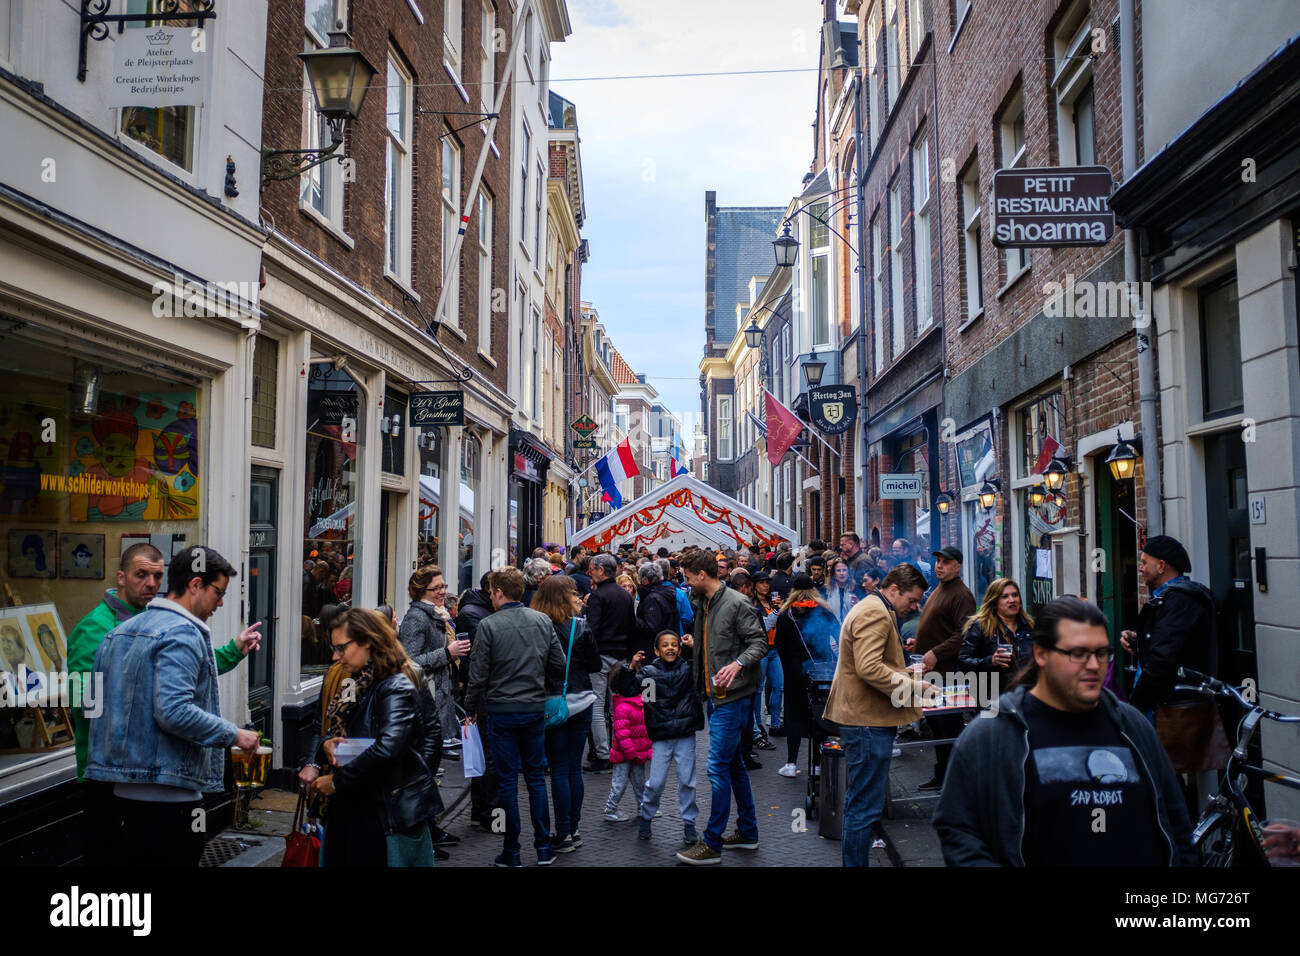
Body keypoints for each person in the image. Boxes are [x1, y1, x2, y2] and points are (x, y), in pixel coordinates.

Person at [933, 596, 1196, 866]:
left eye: (1101, 653)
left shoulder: (1132, 726)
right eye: (1078, 654)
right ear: (1041, 654)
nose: (1094, 665)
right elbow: (957, 828)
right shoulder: (994, 734)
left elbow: (1176, 820)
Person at [85, 546, 261, 867]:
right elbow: (174, 712)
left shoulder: (116, 635)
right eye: (218, 593)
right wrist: (235, 735)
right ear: (195, 585)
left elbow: (95, 708)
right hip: (172, 800)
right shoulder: (182, 633)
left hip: (121, 795)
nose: (220, 603)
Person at [311, 609, 439, 867]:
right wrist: (326, 745)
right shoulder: (355, 681)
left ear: (367, 641)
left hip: (379, 812)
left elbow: (389, 747)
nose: (335, 656)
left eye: (341, 648)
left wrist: (337, 782)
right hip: (354, 805)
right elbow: (332, 723)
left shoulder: (396, 686)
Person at [824, 564, 933, 867]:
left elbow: (870, 665)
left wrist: (907, 671)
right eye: (911, 600)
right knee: (863, 808)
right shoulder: (875, 612)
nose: (914, 606)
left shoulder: (873, 607)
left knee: (860, 804)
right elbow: (869, 668)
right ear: (894, 589)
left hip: (865, 720)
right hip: (867, 722)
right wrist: (913, 686)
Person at [464, 567, 566, 867]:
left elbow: (478, 674)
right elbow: (558, 665)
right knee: (536, 779)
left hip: (501, 710)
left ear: (498, 592)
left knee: (508, 781)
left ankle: (512, 850)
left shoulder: (489, 626)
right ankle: (544, 847)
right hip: (533, 708)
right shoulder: (542, 621)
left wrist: (470, 707)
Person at [675, 550, 769, 865]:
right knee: (734, 765)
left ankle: (712, 843)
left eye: (688, 576)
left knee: (716, 766)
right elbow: (715, 641)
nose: (686, 582)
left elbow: (759, 643)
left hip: (732, 696)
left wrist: (738, 664)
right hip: (717, 695)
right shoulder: (705, 602)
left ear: (702, 575)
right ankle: (748, 832)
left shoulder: (736, 604)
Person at [1120, 535, 1228, 796]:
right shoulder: (1171, 599)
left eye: (1145, 562)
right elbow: (1171, 645)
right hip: (1165, 703)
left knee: (1159, 777)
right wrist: (1140, 642)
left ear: (1162, 565)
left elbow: (1164, 659)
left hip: (1168, 706)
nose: (1141, 567)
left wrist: (1136, 706)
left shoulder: (1179, 600)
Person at [611, 630, 702, 845]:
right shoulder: (650, 673)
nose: (670, 648)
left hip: (684, 733)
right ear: (656, 650)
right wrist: (631, 668)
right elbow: (627, 689)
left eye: (674, 644)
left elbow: (706, 666)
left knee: (687, 781)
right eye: (665, 645)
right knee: (656, 782)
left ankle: (689, 823)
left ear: (679, 649)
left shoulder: (688, 669)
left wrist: (694, 647)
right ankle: (646, 816)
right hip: (661, 736)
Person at [531, 575, 601, 853]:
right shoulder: (581, 627)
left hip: (551, 703)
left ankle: (563, 833)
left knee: (558, 767)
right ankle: (573, 827)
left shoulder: (538, 626)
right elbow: (595, 664)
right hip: (582, 700)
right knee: (574, 766)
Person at [910, 547, 977, 790]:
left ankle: (954, 779)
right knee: (937, 726)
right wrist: (916, 644)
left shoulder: (961, 595)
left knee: (948, 727)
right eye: (938, 561)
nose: (939, 565)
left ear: (957, 566)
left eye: (946, 562)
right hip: (933, 672)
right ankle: (942, 775)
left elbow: (964, 634)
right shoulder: (938, 589)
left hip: (948, 673)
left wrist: (936, 652)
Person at [398, 566, 470, 764]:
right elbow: (409, 662)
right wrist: (448, 653)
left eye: (443, 586)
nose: (443, 591)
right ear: (422, 591)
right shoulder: (416, 618)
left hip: (438, 697)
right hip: (425, 698)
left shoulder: (437, 614)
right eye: (436, 588)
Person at [773, 574, 839, 777]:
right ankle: (817, 763)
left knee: (793, 715)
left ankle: (791, 763)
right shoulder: (823, 611)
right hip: (820, 670)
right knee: (818, 715)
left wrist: (788, 669)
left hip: (794, 672)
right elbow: (839, 634)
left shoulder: (786, 615)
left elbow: (780, 646)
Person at [584, 553, 636, 772]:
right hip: (621, 655)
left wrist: (587, 653)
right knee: (618, 706)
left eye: (592, 569)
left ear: (601, 571)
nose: (590, 573)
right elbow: (632, 625)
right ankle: (621, 748)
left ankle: (603, 753)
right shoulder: (625, 596)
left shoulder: (598, 596)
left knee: (596, 706)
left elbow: (592, 630)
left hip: (602, 655)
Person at [454, 571, 497, 830]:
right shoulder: (473, 614)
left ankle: (482, 809)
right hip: (481, 692)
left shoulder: (481, 611)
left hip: (482, 690)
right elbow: (476, 659)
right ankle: (487, 811)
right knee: (488, 753)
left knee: (485, 752)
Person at [602, 662, 651, 824]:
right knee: (619, 783)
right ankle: (610, 809)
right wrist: (632, 753)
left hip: (636, 753)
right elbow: (622, 735)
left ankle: (643, 807)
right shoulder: (623, 707)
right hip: (626, 755)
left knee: (640, 783)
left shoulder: (639, 703)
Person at [956, 578, 1034, 677]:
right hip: (996, 689)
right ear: (994, 602)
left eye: (1015, 595)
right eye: (1005, 597)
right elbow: (963, 662)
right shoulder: (981, 627)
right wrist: (991, 661)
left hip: (1027, 688)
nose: (1012, 600)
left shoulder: (1030, 626)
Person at [749, 571, 783, 747]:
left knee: (779, 686)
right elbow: (764, 627)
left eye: (767, 582)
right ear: (754, 585)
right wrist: (777, 611)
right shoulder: (753, 605)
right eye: (761, 582)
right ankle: (758, 727)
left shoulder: (771, 601)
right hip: (761, 650)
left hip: (774, 649)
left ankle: (775, 724)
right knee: (758, 690)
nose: (765, 585)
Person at [823, 557, 865, 623]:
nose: (842, 573)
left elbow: (864, 611)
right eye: (838, 570)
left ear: (848, 572)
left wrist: (859, 604)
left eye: (844, 570)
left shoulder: (857, 589)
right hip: (832, 628)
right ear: (834, 573)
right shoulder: (827, 590)